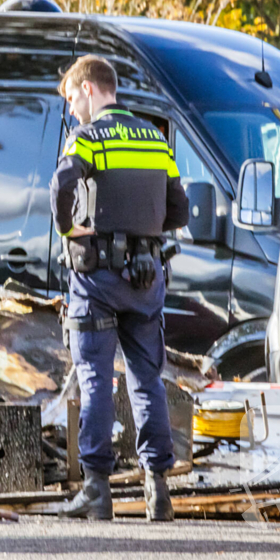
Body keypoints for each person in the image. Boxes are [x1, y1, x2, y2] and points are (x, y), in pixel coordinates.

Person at [50, 55, 189, 521]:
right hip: (147, 278)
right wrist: (143, 233)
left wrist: (73, 232)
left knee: (95, 379)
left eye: (72, 98)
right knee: (147, 379)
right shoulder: (155, 139)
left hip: (97, 278)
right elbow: (180, 211)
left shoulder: (87, 138)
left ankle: (96, 490)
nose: (71, 110)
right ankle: (158, 490)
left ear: (89, 89)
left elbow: (60, 190)